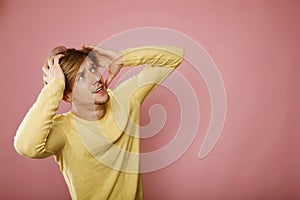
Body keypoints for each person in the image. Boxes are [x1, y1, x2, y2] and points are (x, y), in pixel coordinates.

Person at [14, 44, 184, 200]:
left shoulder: (125, 99)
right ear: (67, 96)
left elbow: (176, 56)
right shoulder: (65, 131)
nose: (96, 78)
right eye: (81, 77)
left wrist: (120, 59)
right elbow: (25, 146)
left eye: (93, 68)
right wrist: (55, 86)